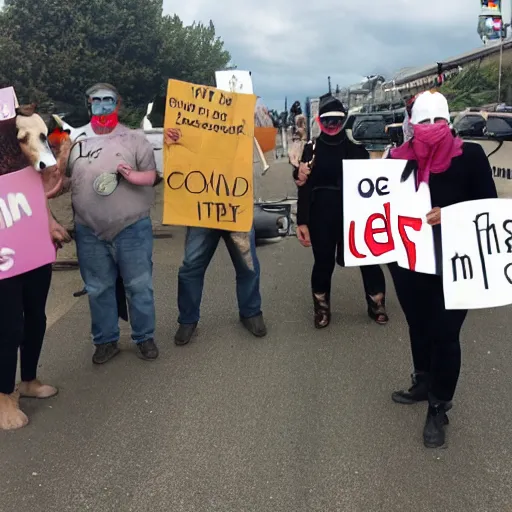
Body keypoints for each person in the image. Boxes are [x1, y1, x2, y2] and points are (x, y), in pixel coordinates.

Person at [387, 91, 498, 448]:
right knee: (419, 325)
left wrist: (448, 215)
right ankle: (423, 381)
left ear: (448, 121)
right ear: (411, 124)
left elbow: (488, 209)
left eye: (438, 120)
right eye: (423, 121)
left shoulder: (470, 156)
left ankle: (439, 406)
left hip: (457, 262)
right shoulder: (396, 159)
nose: (431, 128)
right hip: (409, 262)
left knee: (446, 334)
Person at [67, 83, 160, 364]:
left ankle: (144, 337)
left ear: (118, 104)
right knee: (98, 288)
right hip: (88, 229)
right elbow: (61, 179)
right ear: (89, 104)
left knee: (139, 285)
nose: (103, 106)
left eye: (109, 100)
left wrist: (134, 177)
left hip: (132, 227)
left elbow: (153, 176)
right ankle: (106, 341)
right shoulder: (75, 140)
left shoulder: (134, 139)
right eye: (97, 101)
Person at [0, 103, 71, 430]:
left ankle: (28, 379)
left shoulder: (29, 157)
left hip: (33, 251)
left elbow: (40, 197)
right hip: (4, 258)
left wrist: (51, 222)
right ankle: (4, 396)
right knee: (8, 326)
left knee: (36, 317)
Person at [164, 128, 267, 345]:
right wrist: (173, 144)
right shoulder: (190, 128)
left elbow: (261, 164)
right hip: (202, 211)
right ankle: (188, 320)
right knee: (191, 267)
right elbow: (178, 164)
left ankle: (250, 312)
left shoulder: (244, 128)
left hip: (236, 209)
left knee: (248, 265)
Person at [294, 94, 388, 328]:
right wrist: (302, 222)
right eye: (328, 120)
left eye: (337, 120)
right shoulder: (310, 149)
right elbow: (303, 188)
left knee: (369, 260)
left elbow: (374, 189)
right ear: (318, 120)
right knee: (323, 263)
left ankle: (376, 302)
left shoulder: (359, 151)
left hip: (355, 217)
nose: (333, 125)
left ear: (344, 119)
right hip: (321, 217)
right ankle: (322, 308)